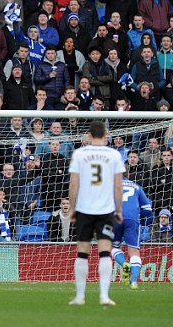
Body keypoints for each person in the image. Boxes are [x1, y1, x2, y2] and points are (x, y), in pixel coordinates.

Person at [68, 120, 125, 306]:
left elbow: (74, 184)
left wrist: (72, 207)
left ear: (89, 135)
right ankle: (104, 296)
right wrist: (118, 209)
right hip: (106, 210)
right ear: (105, 135)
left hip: (84, 209)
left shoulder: (80, 153)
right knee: (104, 252)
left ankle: (80, 297)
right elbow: (118, 186)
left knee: (82, 252)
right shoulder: (114, 155)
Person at [111, 174, 153, 290]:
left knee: (113, 247)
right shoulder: (137, 187)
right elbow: (148, 209)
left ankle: (124, 263)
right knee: (134, 252)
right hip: (132, 220)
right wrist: (137, 215)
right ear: (128, 175)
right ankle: (133, 281)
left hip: (115, 218)